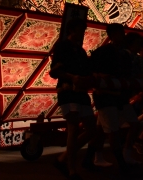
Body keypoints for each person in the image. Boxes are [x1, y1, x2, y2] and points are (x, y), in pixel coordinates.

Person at [49, 18, 96, 179]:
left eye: (83, 30)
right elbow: (54, 72)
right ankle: (71, 168)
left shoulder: (81, 51)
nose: (83, 33)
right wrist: (72, 77)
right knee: (73, 127)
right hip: (67, 91)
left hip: (81, 92)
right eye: (80, 30)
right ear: (72, 30)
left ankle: (63, 159)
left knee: (91, 129)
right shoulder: (62, 47)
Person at [89, 23, 136, 171]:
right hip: (106, 97)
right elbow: (91, 70)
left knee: (104, 130)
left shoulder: (121, 53)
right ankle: (120, 160)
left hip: (115, 96)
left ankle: (94, 157)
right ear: (113, 35)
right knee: (111, 130)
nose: (123, 36)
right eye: (121, 33)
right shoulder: (105, 52)